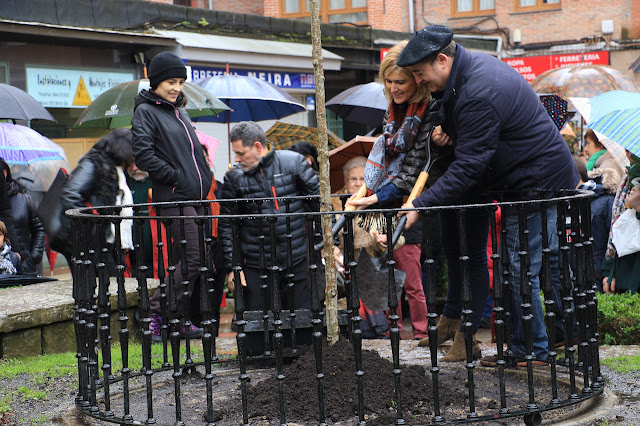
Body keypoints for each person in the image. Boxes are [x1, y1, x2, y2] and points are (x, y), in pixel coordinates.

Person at [397, 25, 580, 367]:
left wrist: (418, 204)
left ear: (442, 60)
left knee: (517, 267)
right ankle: (532, 346)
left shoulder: (478, 89)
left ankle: (534, 351)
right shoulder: (469, 73)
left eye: (421, 74)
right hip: (532, 179)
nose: (420, 82)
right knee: (523, 267)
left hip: (534, 183)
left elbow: (469, 165)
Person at [347, 41, 454, 343]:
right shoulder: (392, 111)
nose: (393, 88)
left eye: (400, 81)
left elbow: (416, 166)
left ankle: (423, 331)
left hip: (418, 201)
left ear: (416, 81)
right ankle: (392, 332)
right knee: (384, 276)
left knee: (414, 280)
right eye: (389, 82)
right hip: (388, 203)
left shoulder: (431, 109)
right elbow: (390, 159)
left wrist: (377, 197)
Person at [132, 51, 214, 343]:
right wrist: (176, 176)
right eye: (170, 81)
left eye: (180, 81)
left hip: (195, 198)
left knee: (189, 261)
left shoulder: (179, 111)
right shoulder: (146, 111)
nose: (177, 87)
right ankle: (155, 312)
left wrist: (202, 175)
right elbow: (143, 155)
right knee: (194, 259)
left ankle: (175, 321)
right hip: (175, 197)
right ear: (155, 82)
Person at [219, 121, 319, 313]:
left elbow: (319, 204)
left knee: (302, 322)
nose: (237, 159)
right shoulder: (234, 178)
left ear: (257, 147)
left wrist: (327, 245)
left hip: (296, 257)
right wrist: (233, 267)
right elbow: (227, 224)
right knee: (257, 326)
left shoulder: (294, 162)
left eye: (241, 153)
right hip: (255, 263)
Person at [52, 128, 135, 276]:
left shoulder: (111, 167)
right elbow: (70, 195)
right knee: (105, 287)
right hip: (89, 242)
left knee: (109, 288)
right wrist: (94, 221)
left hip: (100, 242)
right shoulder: (94, 162)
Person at [602, 151, 640, 294]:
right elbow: (616, 225)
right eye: (627, 150)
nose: (628, 154)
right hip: (624, 270)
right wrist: (609, 270)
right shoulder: (628, 178)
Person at [0, 159, 45, 276]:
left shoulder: (25, 200)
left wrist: (33, 256)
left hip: (26, 267)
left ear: (4, 173)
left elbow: (39, 229)